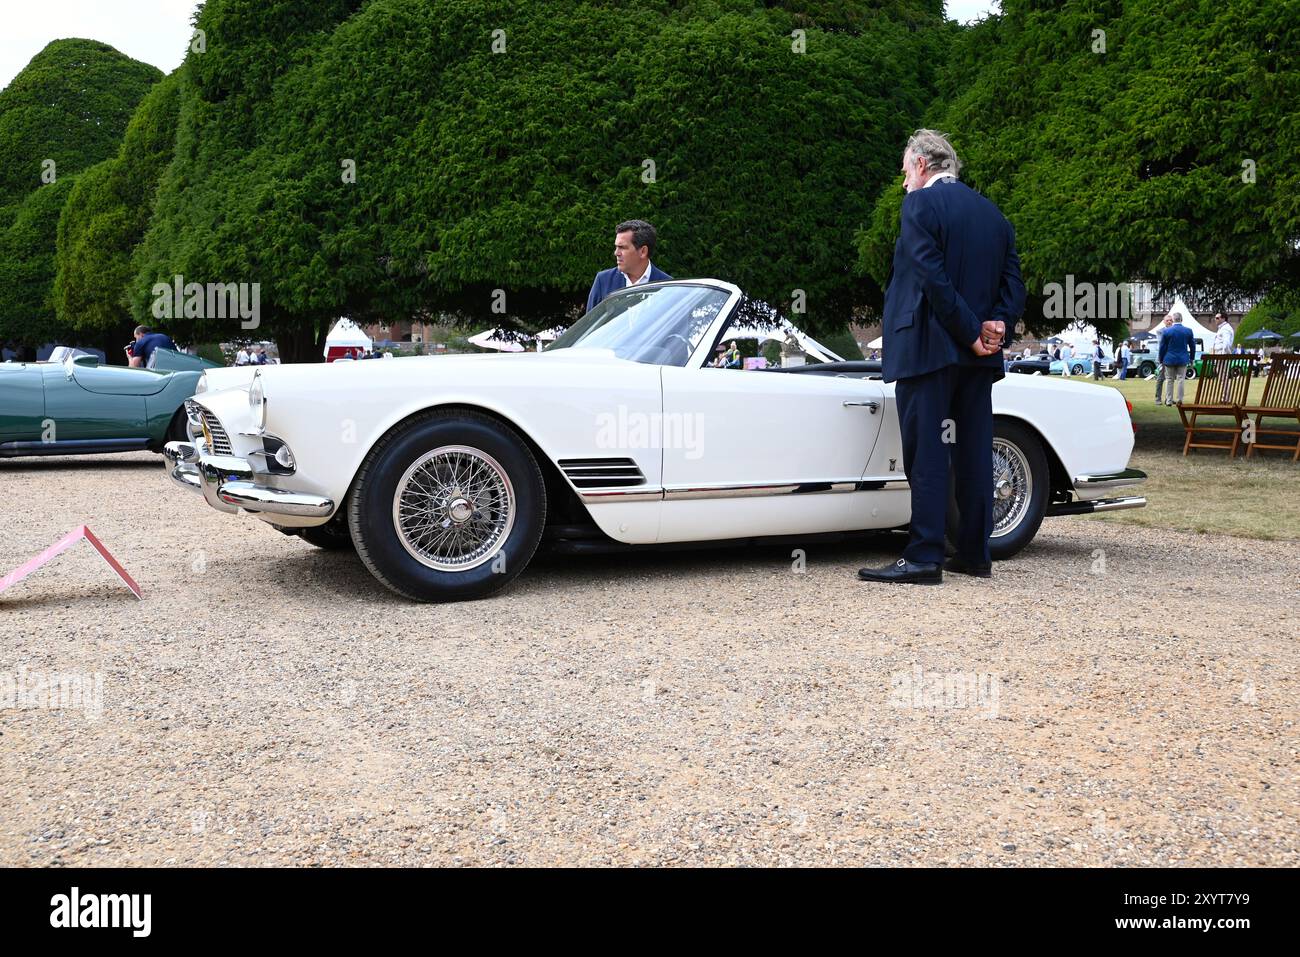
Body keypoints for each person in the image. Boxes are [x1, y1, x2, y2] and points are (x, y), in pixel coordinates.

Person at [859, 129, 1024, 585]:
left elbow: (930, 277)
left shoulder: (918, 206)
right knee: (973, 452)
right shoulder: (994, 215)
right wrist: (997, 326)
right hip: (978, 358)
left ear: (922, 165)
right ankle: (974, 553)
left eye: (905, 171)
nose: (903, 182)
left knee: (927, 453)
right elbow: (1013, 285)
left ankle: (924, 556)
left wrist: (972, 331)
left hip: (929, 348)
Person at [586, 220, 672, 311]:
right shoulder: (603, 281)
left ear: (643, 251)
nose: (616, 253)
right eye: (616, 247)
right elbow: (590, 324)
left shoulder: (668, 287)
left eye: (622, 247)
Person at [1158, 313, 1195, 406]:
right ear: (1181, 319)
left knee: (1169, 379)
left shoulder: (1167, 331)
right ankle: (1179, 400)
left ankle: (1169, 400)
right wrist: (1192, 358)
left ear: (1173, 320)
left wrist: (1161, 359)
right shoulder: (1188, 331)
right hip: (1183, 358)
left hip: (1169, 358)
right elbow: (1192, 346)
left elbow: (1162, 347)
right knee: (1181, 379)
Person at [1153, 314, 1175, 401]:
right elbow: (1162, 343)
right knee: (1160, 378)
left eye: (1170, 320)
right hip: (1163, 358)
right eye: (1167, 320)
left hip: (1172, 358)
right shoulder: (1160, 331)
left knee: (1170, 379)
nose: (1169, 322)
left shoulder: (1175, 331)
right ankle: (1158, 398)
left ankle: (1168, 398)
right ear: (1164, 321)